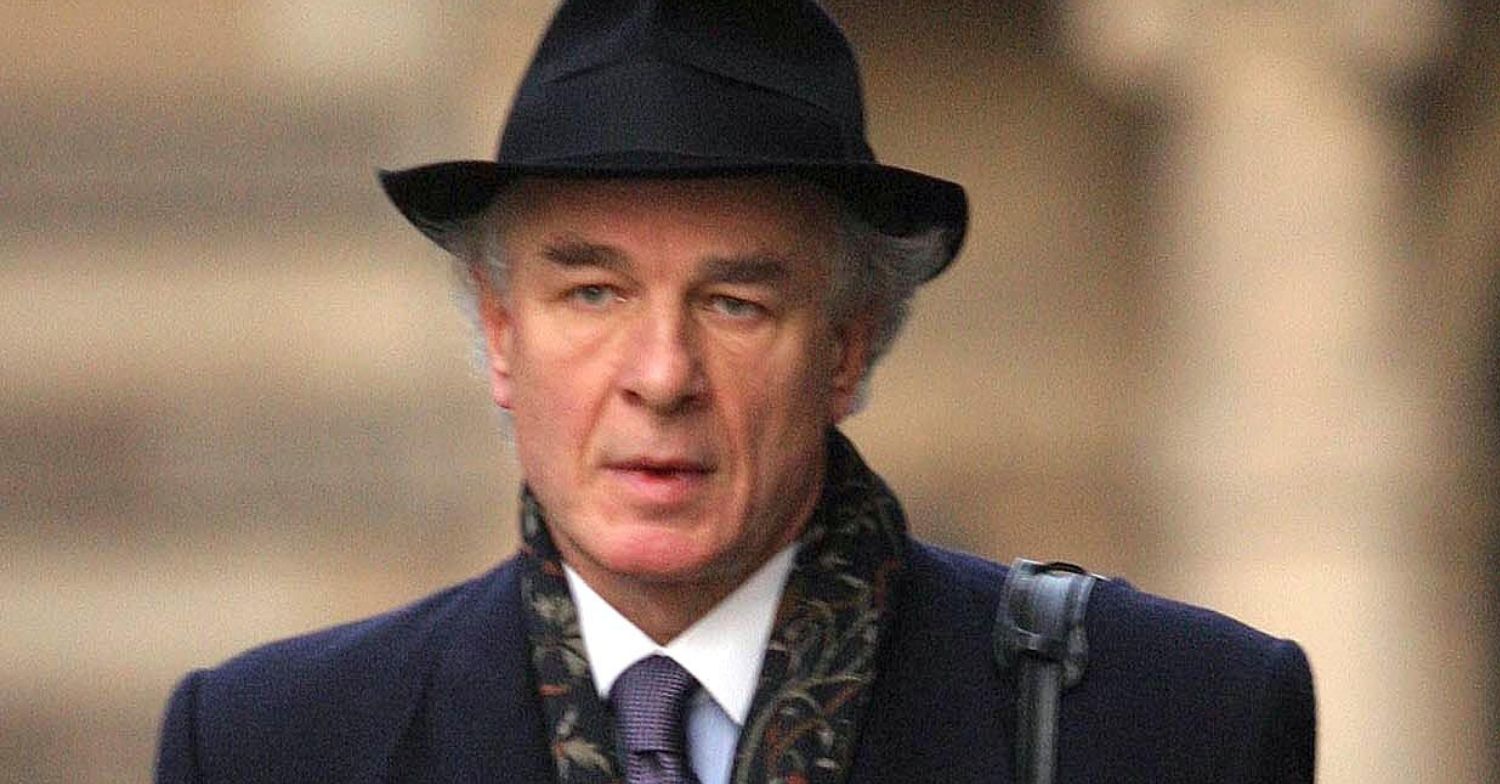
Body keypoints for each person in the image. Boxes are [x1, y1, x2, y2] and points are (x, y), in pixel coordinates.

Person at [154, 1, 1316, 782]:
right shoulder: (273, 745)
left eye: (734, 303)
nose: (661, 375)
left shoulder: (1177, 719)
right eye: (593, 293)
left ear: (849, 348)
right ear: (502, 335)